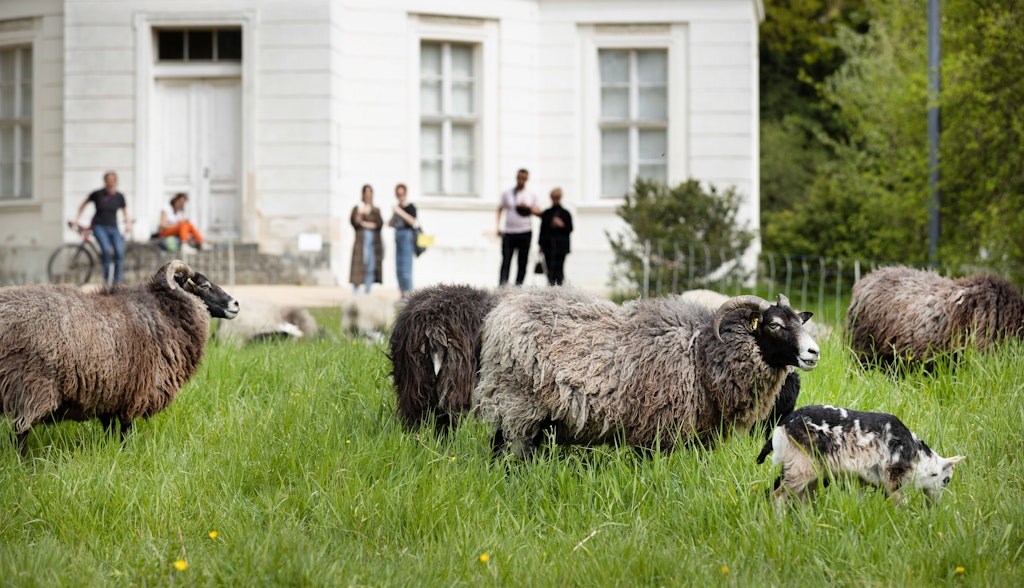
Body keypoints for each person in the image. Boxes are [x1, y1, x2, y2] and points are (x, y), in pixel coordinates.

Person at [73, 170, 132, 284]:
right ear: (105, 181)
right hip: (99, 226)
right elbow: (83, 205)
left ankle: (117, 283)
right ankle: (106, 281)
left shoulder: (119, 196)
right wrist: (77, 219)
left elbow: (125, 211)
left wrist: (128, 223)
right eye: (108, 180)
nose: (110, 182)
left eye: (112, 180)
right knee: (106, 251)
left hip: (114, 227)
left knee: (119, 252)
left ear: (116, 181)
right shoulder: (97, 194)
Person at [496, 168, 540, 286]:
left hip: (525, 232)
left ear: (527, 179)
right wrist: (498, 226)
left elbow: (539, 212)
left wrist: (528, 208)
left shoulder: (531, 195)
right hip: (509, 232)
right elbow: (500, 208)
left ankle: (518, 287)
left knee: (522, 262)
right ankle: (502, 287)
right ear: (516, 178)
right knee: (506, 260)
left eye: (523, 178)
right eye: (519, 177)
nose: (521, 180)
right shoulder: (508, 194)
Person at [349, 184, 383, 294]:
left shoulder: (376, 210)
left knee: (370, 267)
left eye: (370, 192)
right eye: (366, 192)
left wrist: (364, 224)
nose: (368, 194)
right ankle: (356, 293)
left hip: (373, 244)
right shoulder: (357, 208)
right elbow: (355, 222)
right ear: (363, 194)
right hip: (361, 243)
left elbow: (379, 224)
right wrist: (361, 213)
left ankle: (367, 293)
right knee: (358, 267)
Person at [538, 187, 574, 286]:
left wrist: (561, 225)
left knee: (559, 270)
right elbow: (542, 230)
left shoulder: (565, 213)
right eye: (553, 197)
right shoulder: (547, 213)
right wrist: (540, 244)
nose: (555, 199)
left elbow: (570, 228)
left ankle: (560, 290)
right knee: (550, 270)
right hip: (548, 246)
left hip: (561, 247)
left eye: (557, 197)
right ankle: (551, 289)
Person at [388, 183, 418, 301]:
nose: (400, 196)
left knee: (406, 266)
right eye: (398, 193)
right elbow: (389, 224)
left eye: (401, 193)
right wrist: (394, 213)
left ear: (405, 193)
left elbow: (412, 221)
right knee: (399, 268)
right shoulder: (396, 208)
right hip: (398, 236)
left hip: (407, 236)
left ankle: (410, 294)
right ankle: (402, 294)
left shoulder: (410, 207)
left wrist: (399, 211)